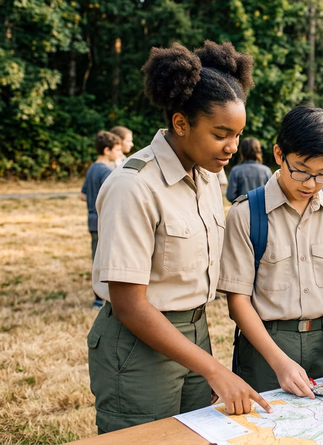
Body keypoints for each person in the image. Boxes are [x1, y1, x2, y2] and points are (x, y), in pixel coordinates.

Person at [87, 40, 271, 434]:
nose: (233, 148)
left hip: (194, 334)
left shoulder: (207, 175)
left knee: (193, 437)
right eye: (221, 134)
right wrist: (216, 371)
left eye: (238, 134)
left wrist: (205, 361)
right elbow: (129, 305)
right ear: (181, 123)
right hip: (139, 345)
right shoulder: (134, 186)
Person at [219, 106, 323, 396]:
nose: (311, 184)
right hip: (265, 349)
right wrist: (279, 362)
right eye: (301, 171)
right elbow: (238, 301)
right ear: (279, 154)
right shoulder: (246, 214)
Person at [80, 131, 123, 309]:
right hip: (103, 222)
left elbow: (83, 195)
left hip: (91, 221)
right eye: (117, 150)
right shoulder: (106, 172)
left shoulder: (91, 168)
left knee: (96, 259)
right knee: (107, 261)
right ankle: (101, 300)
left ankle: (98, 299)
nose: (119, 154)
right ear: (107, 150)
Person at [225, 137, 272, 203]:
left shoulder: (235, 171)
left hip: (240, 211)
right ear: (258, 151)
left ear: (242, 152)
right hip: (262, 211)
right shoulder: (266, 171)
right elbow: (271, 194)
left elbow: (230, 196)